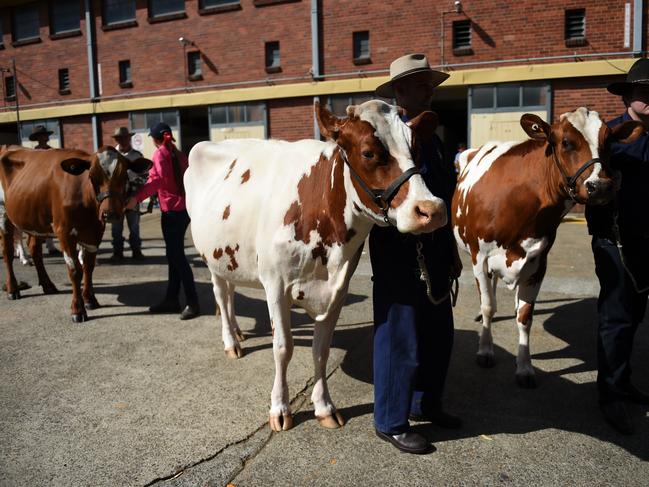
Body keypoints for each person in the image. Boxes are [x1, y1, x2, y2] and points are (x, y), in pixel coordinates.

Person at [370, 54, 462, 454]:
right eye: (422, 84)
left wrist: (452, 249)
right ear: (399, 91)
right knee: (399, 339)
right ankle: (390, 420)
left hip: (437, 251)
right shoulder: (383, 140)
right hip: (398, 252)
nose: (430, 90)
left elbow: (445, 196)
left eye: (431, 84)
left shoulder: (435, 140)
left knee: (439, 336)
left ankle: (426, 403)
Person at [585, 57, 649, 435]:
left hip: (647, 244)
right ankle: (610, 396)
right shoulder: (605, 137)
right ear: (628, 95)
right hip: (617, 243)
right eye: (644, 92)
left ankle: (623, 382)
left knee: (635, 317)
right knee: (616, 319)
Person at [126, 122, 200, 321]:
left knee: (177, 257)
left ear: (155, 138)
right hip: (184, 209)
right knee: (173, 255)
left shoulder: (160, 154)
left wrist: (136, 198)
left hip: (171, 213)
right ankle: (171, 298)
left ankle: (192, 302)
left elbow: (156, 180)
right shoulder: (179, 154)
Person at [109, 127, 147, 262]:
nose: (123, 141)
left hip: (132, 196)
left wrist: (136, 194)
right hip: (116, 198)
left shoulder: (137, 156)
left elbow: (144, 176)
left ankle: (136, 251)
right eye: (120, 138)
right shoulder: (110, 155)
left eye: (125, 138)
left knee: (134, 226)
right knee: (116, 227)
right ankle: (117, 252)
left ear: (129, 138)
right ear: (116, 140)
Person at [29, 125, 61, 256]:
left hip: (49, 186)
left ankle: (50, 245)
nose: (45, 137)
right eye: (43, 135)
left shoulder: (53, 152)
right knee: (37, 217)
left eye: (46, 135)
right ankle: (35, 244)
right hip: (35, 186)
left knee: (49, 217)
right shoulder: (32, 153)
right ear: (37, 138)